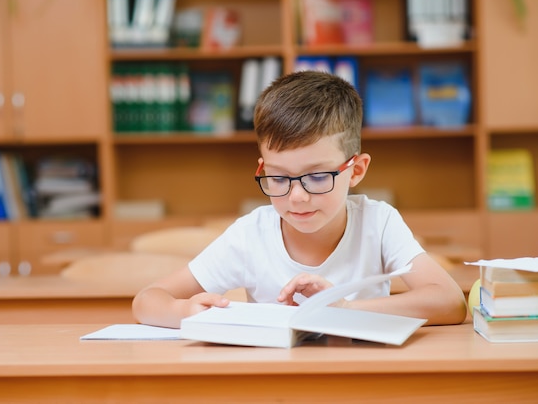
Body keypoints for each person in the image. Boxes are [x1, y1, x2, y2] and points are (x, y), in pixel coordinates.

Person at [132, 70, 467, 328]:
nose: (297, 197)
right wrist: (183, 310)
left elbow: (450, 302)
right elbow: (147, 300)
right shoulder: (250, 235)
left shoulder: (378, 223)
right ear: (262, 168)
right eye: (278, 178)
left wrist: (344, 310)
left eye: (318, 177)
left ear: (357, 170)